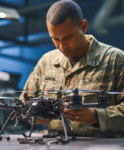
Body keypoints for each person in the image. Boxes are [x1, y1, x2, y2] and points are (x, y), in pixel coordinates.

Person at [19, 0, 124, 137]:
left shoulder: (116, 60)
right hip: (56, 143)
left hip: (102, 144)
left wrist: (98, 116)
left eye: (68, 37)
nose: (62, 46)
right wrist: (34, 114)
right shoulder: (47, 62)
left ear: (83, 26)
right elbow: (23, 102)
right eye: (55, 39)